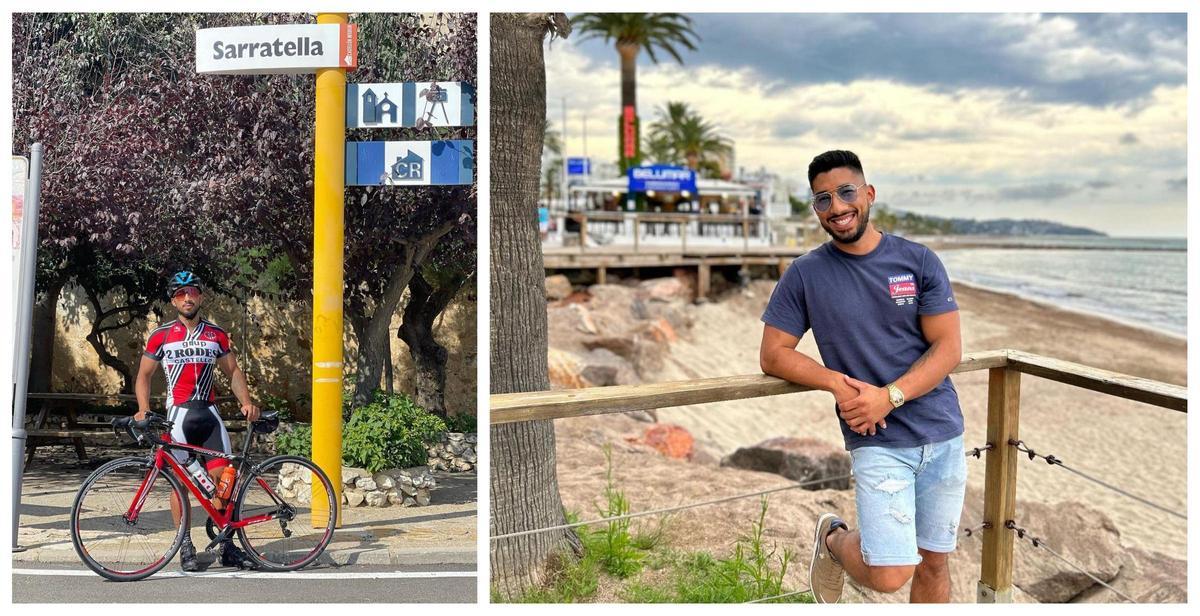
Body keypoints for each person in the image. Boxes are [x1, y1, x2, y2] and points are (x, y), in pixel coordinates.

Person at [758, 151, 965, 603]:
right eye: (822, 199)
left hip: (942, 432)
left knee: (934, 560)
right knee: (891, 573)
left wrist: (889, 395)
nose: (836, 206)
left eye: (846, 192)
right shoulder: (806, 274)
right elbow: (773, 355)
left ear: (868, 194)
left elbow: (949, 347)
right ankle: (832, 540)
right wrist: (837, 383)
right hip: (876, 437)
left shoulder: (918, 260)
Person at [135, 270, 261, 571]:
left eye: (191, 292)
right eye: (180, 294)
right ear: (173, 301)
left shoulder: (215, 334)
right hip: (178, 416)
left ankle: (227, 544)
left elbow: (232, 372)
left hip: (209, 416)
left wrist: (246, 402)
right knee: (179, 484)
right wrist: (142, 408)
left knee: (225, 482)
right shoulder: (161, 335)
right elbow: (144, 375)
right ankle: (185, 545)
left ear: (200, 296)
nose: (187, 298)